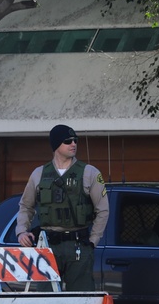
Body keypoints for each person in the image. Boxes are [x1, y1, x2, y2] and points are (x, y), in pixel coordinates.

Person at [15, 124, 109, 291]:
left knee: (82, 300)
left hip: (78, 244)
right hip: (48, 245)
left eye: (75, 140)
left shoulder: (90, 172)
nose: (73, 144)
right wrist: (21, 231)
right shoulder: (39, 174)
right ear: (56, 145)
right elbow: (25, 206)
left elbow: (103, 210)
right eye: (67, 141)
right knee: (46, 300)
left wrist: (93, 241)